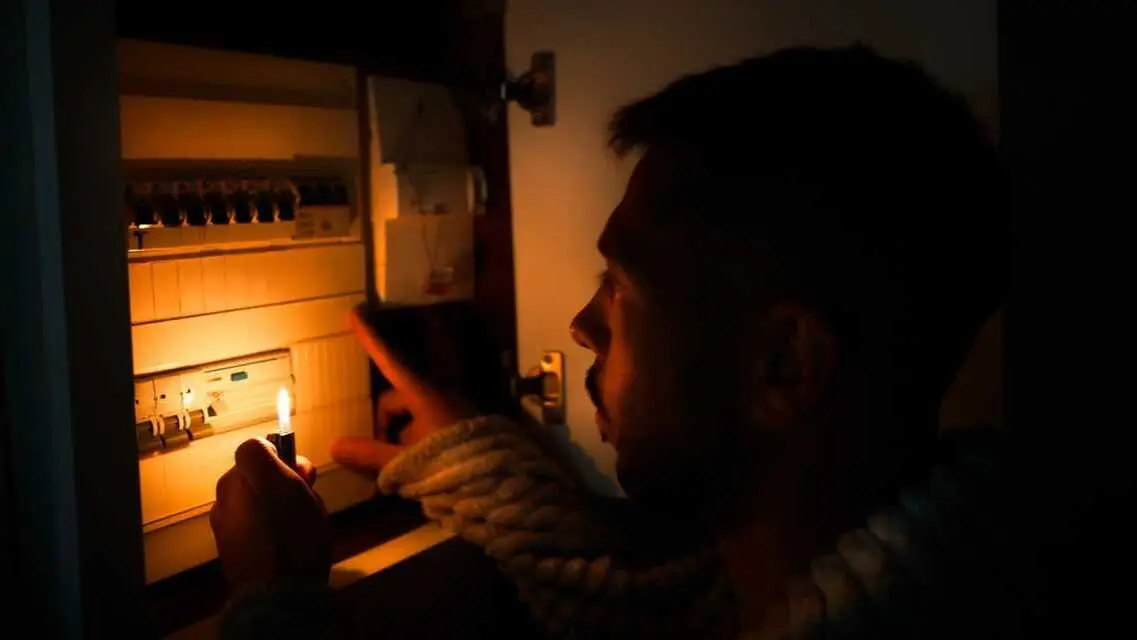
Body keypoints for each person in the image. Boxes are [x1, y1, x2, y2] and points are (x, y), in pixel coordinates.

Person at [210, 44, 1022, 638]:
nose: (582, 326)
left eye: (621, 287)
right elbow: (629, 600)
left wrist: (271, 601)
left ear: (785, 365)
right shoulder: (911, 567)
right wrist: (468, 456)